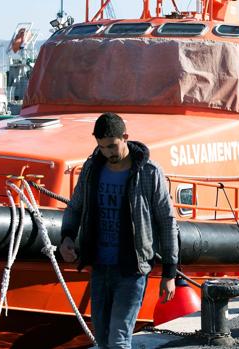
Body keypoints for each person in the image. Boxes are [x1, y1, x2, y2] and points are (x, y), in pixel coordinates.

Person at [59, 112, 179, 349]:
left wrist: (170, 273)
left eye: (112, 146)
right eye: (102, 147)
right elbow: (75, 206)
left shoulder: (150, 172)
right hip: (99, 266)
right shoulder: (92, 170)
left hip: (132, 269)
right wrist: (67, 237)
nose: (108, 153)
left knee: (119, 339)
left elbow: (167, 221)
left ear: (125, 137)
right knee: (102, 339)